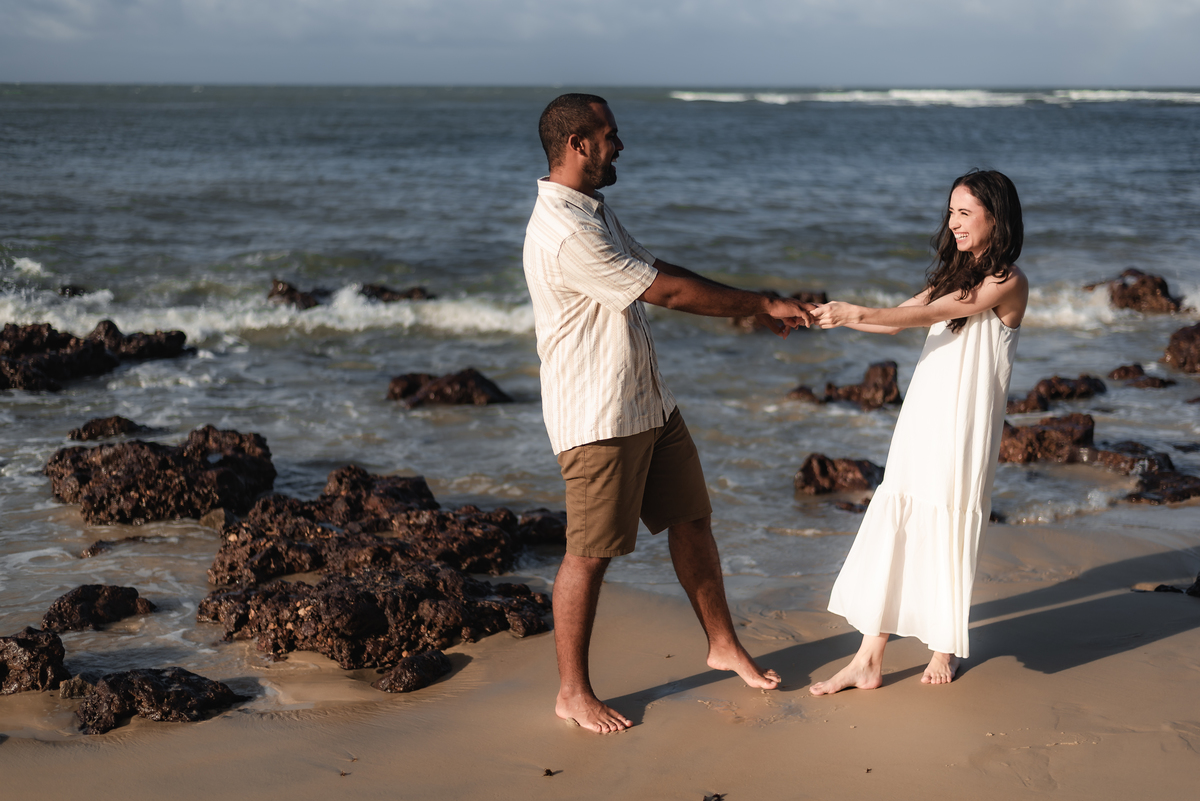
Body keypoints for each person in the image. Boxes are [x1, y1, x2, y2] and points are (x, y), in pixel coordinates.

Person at [523, 93, 815, 733]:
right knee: (589, 554)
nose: (620, 145)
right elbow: (668, 292)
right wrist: (762, 304)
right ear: (579, 144)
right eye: (610, 135)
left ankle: (722, 644)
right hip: (599, 418)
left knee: (691, 522)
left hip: (647, 402)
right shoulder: (566, 229)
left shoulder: (590, 208)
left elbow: (654, 268)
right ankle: (572, 692)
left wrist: (755, 301)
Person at [808, 170, 1028, 694]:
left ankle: (942, 648)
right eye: (951, 212)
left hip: (963, 426)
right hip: (923, 416)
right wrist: (833, 317)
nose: (953, 223)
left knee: (947, 522)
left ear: (996, 218)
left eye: (965, 213)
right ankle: (868, 657)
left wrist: (854, 308)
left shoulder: (1009, 281)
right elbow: (894, 320)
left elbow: (935, 313)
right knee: (899, 517)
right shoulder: (954, 275)